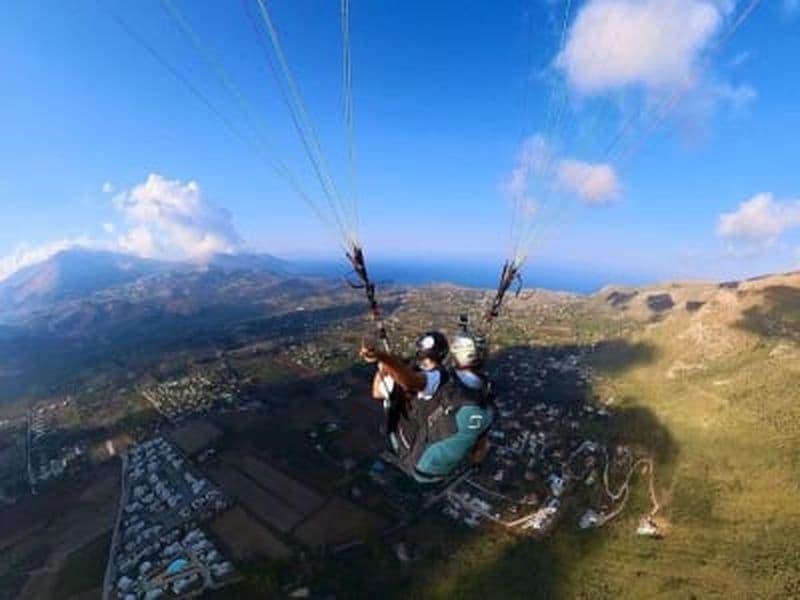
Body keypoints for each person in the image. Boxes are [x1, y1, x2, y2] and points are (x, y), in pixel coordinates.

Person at [361, 330, 495, 483]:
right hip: (442, 471)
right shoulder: (486, 395)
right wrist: (476, 463)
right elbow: (481, 446)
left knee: (394, 397)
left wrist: (385, 361)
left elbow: (381, 391)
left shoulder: (443, 379)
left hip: (414, 459)